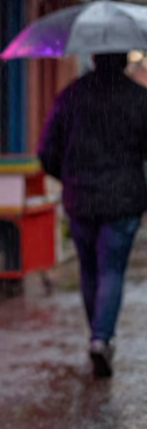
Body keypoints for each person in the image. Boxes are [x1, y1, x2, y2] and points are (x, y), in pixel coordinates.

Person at [38, 52, 147, 377]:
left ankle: (96, 335)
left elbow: (46, 152)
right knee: (111, 269)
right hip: (123, 199)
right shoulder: (139, 98)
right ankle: (101, 338)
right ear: (125, 59)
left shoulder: (70, 95)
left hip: (80, 197)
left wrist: (68, 177)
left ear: (94, 56)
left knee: (89, 269)